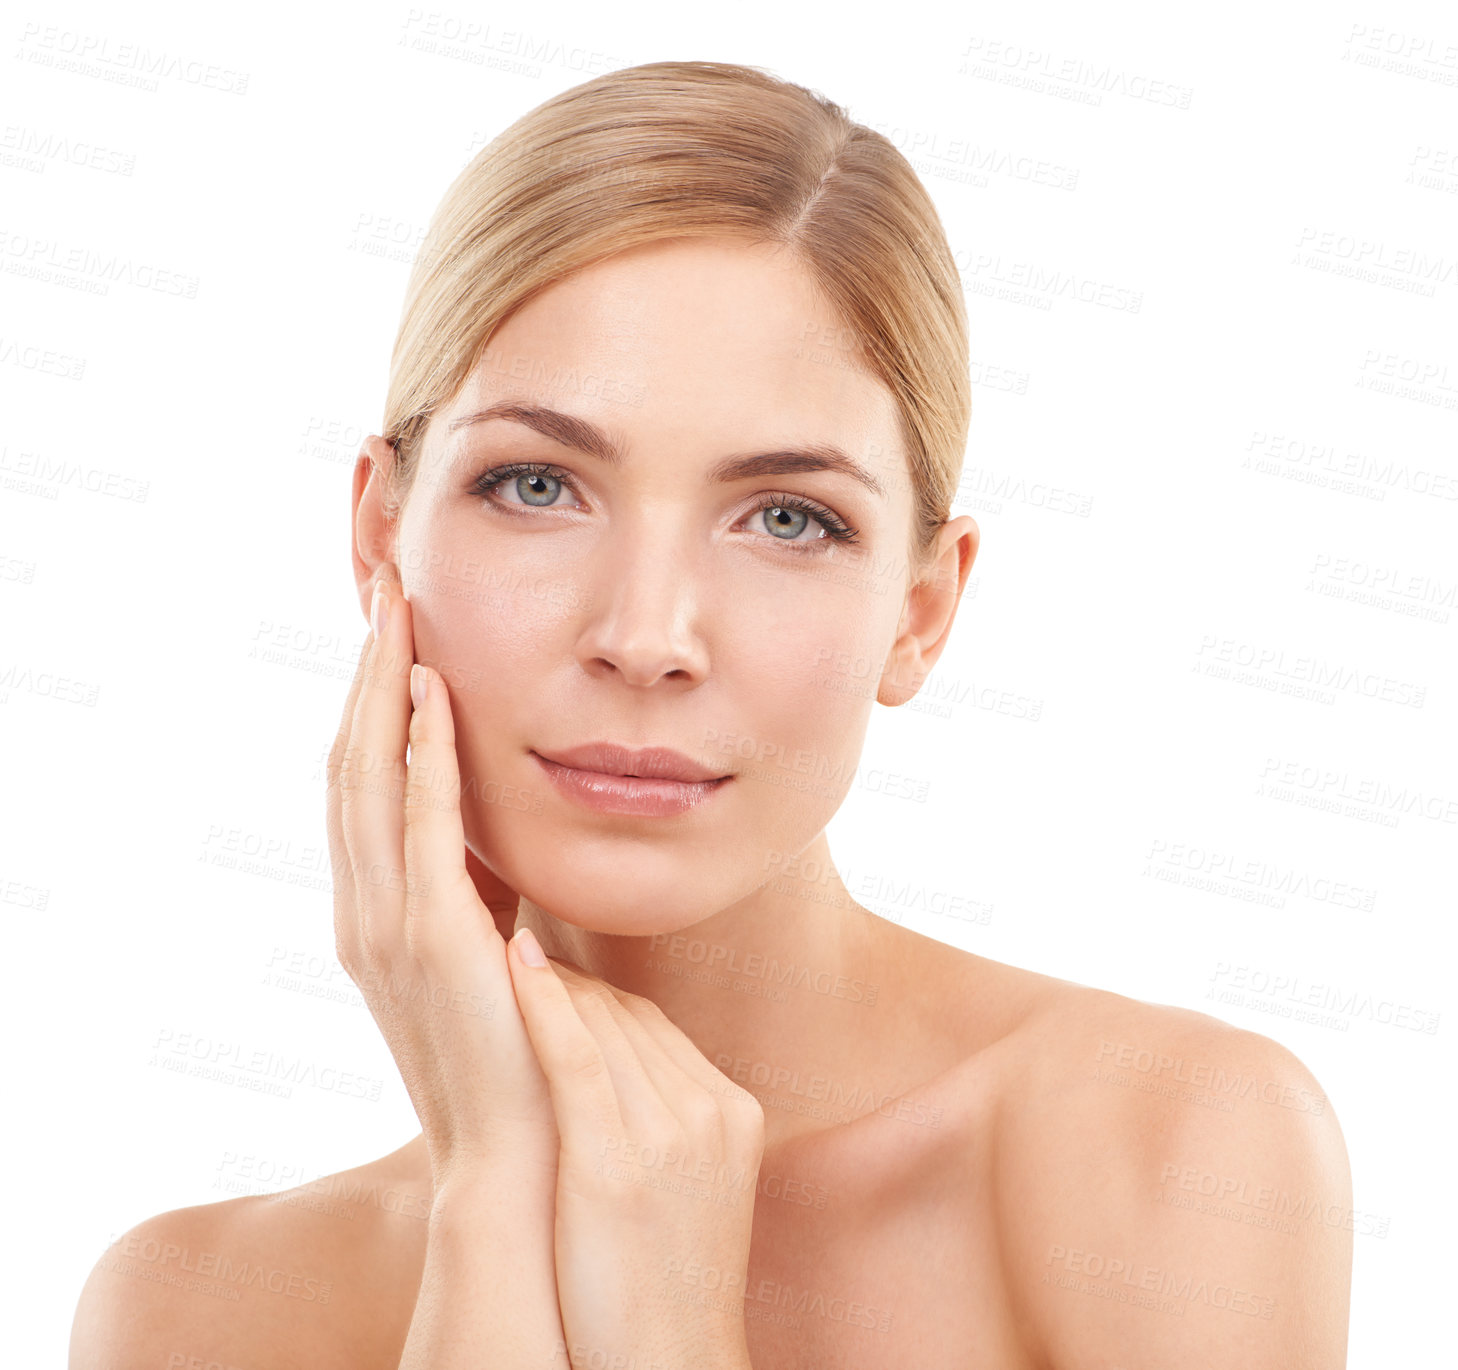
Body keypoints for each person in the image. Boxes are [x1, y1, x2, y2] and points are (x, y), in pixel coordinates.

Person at [70, 59, 1352, 1369]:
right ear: (380, 532)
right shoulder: (196, 1310)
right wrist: (498, 1185)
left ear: (920, 609)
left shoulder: (1169, 1152)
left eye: (787, 517)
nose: (644, 636)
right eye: (534, 484)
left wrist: (669, 1332)